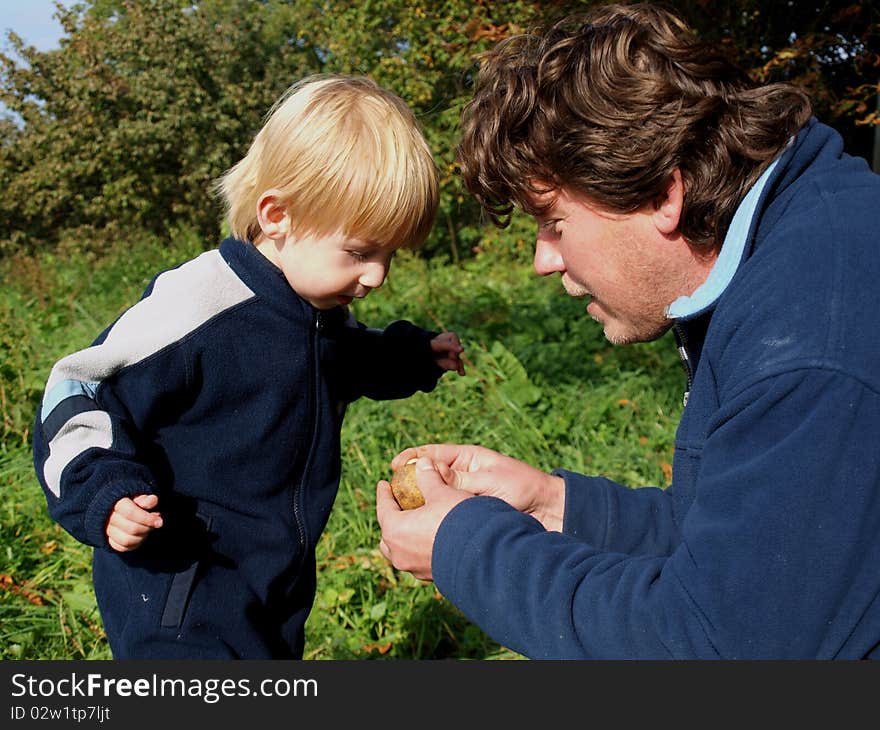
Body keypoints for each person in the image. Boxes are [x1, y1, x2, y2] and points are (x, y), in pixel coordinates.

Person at [376, 2, 880, 659]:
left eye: (554, 223)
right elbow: (738, 545)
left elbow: (718, 645)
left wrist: (465, 548)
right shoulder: (771, 266)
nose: (542, 261)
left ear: (662, 196)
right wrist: (556, 505)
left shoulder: (813, 337)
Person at [32, 74, 465, 659]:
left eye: (389, 255)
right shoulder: (199, 305)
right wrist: (102, 492)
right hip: (179, 582)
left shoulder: (318, 310)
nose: (376, 276)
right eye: (361, 252)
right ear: (277, 214)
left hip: (274, 576)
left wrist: (410, 356)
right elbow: (79, 386)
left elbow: (343, 360)